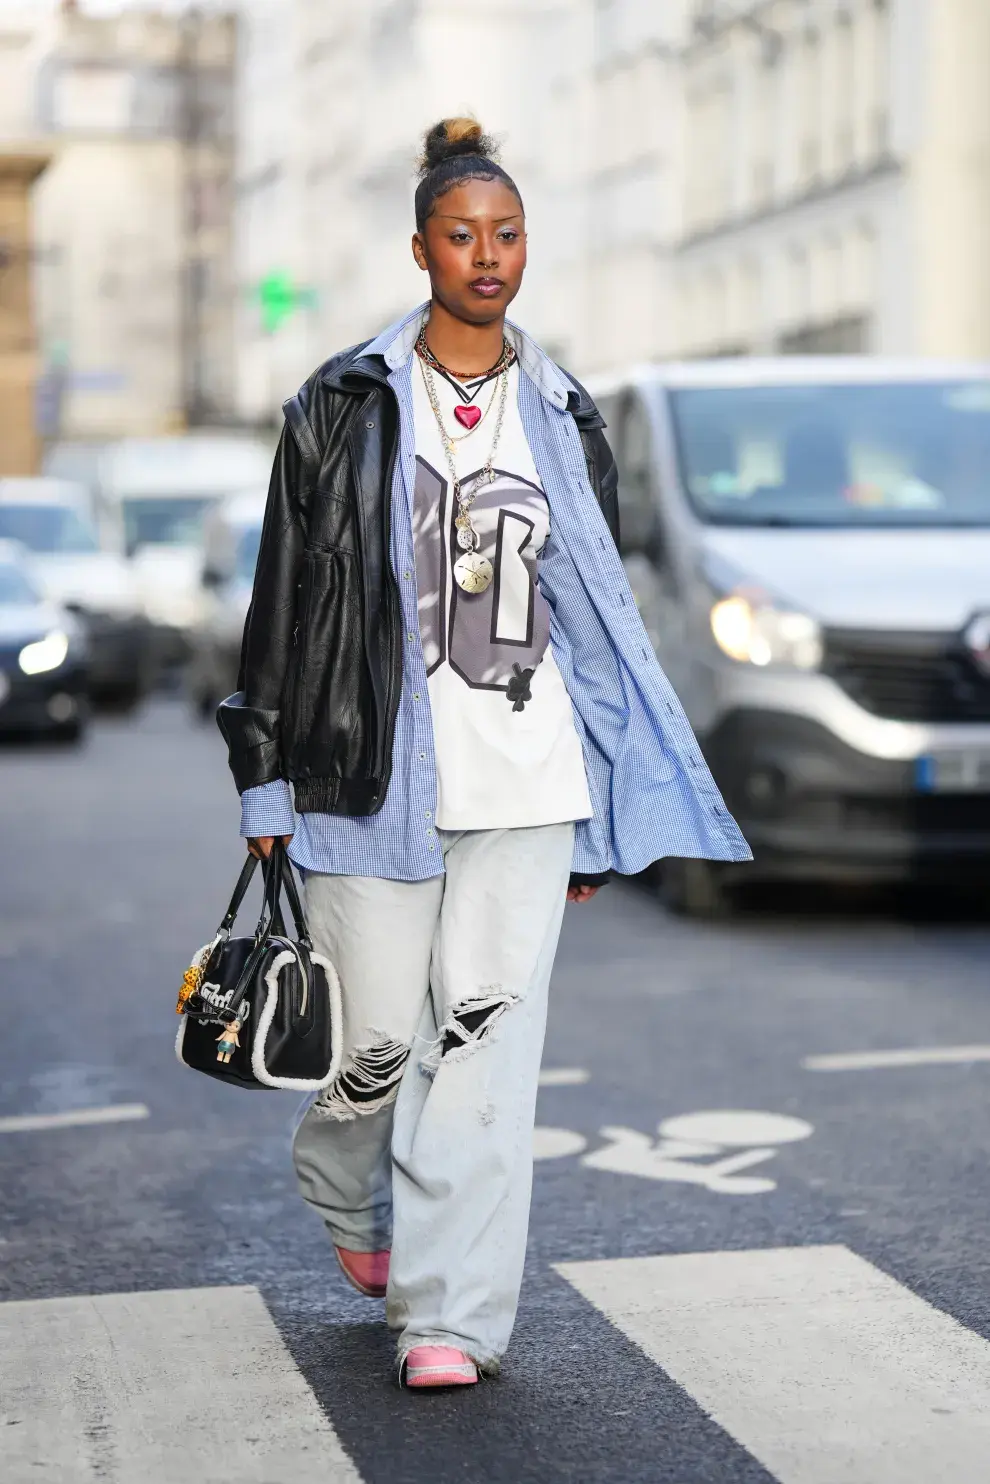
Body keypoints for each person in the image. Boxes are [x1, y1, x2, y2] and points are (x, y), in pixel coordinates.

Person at [219, 117, 750, 1389]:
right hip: (367, 777)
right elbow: (284, 603)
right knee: (376, 1042)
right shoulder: (338, 407)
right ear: (421, 250)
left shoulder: (564, 409)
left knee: (485, 1043)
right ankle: (345, 1180)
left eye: (507, 234)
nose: (488, 256)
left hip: (527, 774)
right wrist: (265, 779)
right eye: (462, 235)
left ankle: (449, 1311)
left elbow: (597, 615)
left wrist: (607, 804)